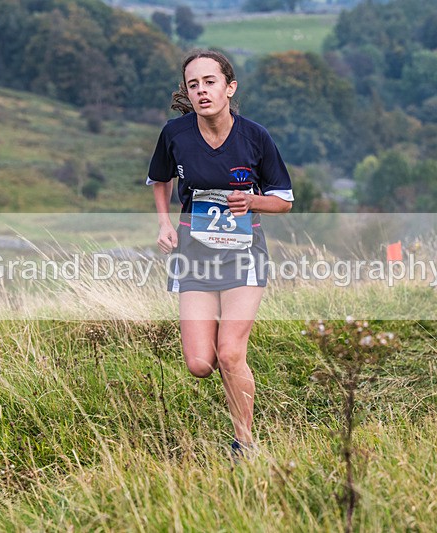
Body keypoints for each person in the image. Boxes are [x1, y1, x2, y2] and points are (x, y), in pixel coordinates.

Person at [146, 50, 294, 457]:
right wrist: (163, 224)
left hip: (243, 253)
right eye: (193, 85)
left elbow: (283, 200)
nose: (201, 91)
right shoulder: (174, 134)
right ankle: (231, 381)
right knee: (200, 364)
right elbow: (158, 179)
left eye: (210, 82)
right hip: (193, 254)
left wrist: (251, 201)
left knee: (230, 352)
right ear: (187, 93)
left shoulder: (256, 136)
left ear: (229, 87)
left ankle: (244, 443)